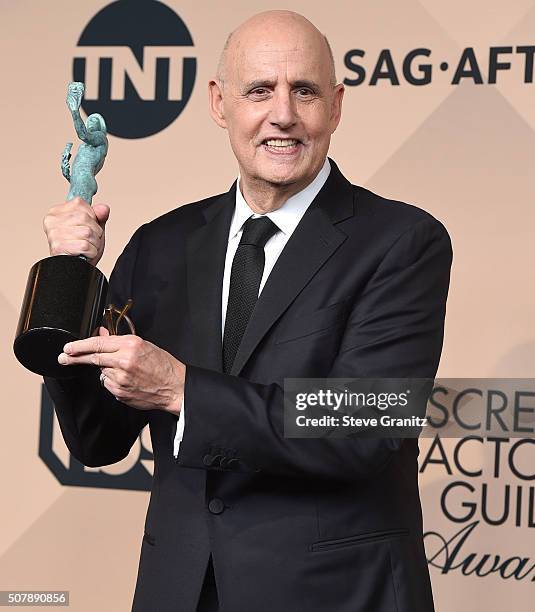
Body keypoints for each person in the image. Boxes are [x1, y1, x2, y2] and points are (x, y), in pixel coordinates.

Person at [42, 10, 452, 612]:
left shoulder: (403, 242)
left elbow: (366, 427)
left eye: (304, 91)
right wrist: (68, 275)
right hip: (180, 591)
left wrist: (182, 390)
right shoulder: (162, 243)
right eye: (259, 90)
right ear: (219, 103)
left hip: (336, 595)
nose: (282, 114)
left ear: (336, 106)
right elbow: (96, 438)